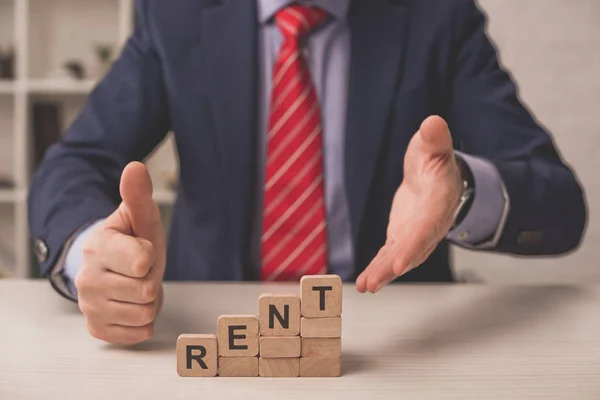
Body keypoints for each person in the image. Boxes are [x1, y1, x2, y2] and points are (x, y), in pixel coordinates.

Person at [29, 0, 586, 345]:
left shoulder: (439, 15)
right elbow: (74, 164)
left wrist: (462, 191)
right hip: (213, 332)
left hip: (398, 346)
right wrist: (92, 255)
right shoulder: (175, 12)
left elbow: (559, 202)